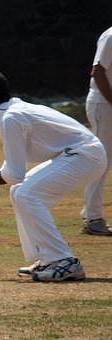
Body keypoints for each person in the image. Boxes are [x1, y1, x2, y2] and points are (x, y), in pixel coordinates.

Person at [0, 69, 105, 282]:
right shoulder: (10, 113)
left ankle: (64, 261)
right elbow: (14, 173)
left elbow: (14, 173)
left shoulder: (11, 117)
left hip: (86, 155)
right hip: (78, 154)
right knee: (20, 191)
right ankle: (49, 259)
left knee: (26, 193)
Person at [81, 26, 112, 236]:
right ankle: (92, 217)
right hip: (103, 104)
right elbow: (98, 72)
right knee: (102, 159)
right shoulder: (111, 36)